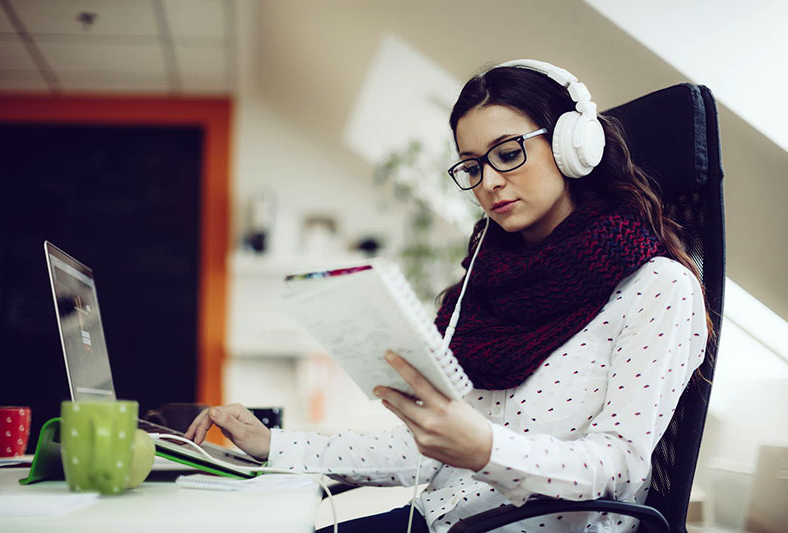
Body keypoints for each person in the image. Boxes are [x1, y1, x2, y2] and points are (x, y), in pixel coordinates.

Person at [186, 60, 710, 532]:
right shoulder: (482, 291)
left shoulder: (657, 288)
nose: (490, 183)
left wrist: (486, 449)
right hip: (441, 521)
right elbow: (424, 449)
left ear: (574, 146)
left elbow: (616, 468)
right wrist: (273, 445)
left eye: (508, 153)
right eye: (473, 166)